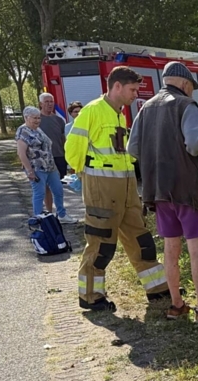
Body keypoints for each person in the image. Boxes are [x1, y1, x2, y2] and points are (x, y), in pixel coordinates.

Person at [128, 61, 198, 323]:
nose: (192, 91)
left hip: (158, 190)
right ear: (183, 82)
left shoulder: (145, 108)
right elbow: (195, 144)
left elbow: (132, 148)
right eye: (191, 86)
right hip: (188, 190)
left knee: (170, 248)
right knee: (197, 249)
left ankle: (176, 305)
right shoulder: (186, 105)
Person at [65, 66, 168, 312]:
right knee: (102, 243)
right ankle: (91, 296)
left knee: (140, 237)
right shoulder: (92, 111)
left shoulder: (119, 114)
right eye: (133, 89)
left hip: (126, 187)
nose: (136, 95)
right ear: (117, 86)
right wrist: (86, 175)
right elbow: (73, 150)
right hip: (103, 188)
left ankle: (157, 288)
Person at [15, 106, 74, 223]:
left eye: (38, 118)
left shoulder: (37, 129)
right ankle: (39, 219)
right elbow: (21, 153)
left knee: (58, 190)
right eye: (34, 118)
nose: (37, 120)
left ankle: (61, 215)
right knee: (39, 193)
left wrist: (54, 166)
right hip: (36, 168)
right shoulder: (23, 131)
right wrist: (29, 171)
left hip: (50, 167)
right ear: (26, 118)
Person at [38, 93, 67, 215]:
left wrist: (67, 155)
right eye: (47, 102)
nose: (50, 104)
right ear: (40, 104)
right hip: (43, 158)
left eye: (51, 101)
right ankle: (49, 212)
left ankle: (61, 212)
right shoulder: (37, 119)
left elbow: (63, 139)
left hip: (58, 155)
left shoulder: (59, 120)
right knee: (46, 188)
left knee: (58, 187)